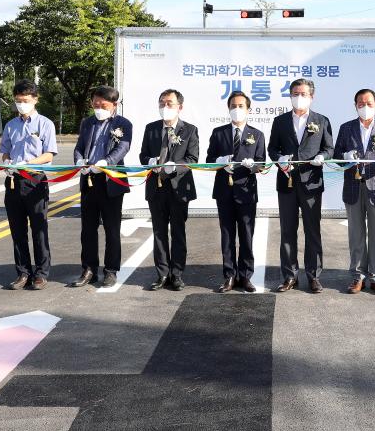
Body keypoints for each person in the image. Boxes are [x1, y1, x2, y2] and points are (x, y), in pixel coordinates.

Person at [267, 78, 334, 293]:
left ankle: (313, 276)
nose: (299, 97)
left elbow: (329, 148)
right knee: (287, 231)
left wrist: (323, 156)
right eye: (295, 93)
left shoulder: (321, 120)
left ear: (311, 97)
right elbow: (272, 148)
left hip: (311, 183)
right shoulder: (280, 121)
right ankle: (290, 276)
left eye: (303, 94)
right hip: (286, 182)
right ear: (290, 96)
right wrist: (279, 159)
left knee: (312, 231)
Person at [333, 88, 375, 295]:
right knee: (356, 233)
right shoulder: (346, 128)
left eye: (369, 103)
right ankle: (357, 276)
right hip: (353, 187)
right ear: (355, 106)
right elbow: (336, 155)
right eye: (361, 104)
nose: (365, 107)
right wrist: (345, 156)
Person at [70, 86, 132, 289]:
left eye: (103, 105)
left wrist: (107, 162)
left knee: (112, 229)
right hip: (89, 179)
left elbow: (123, 147)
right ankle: (88, 269)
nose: (98, 108)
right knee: (87, 229)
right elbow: (79, 147)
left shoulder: (123, 124)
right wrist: (79, 161)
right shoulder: (87, 122)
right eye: (95, 104)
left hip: (110, 180)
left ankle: (111, 270)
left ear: (114, 105)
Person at [0, 80, 58, 291]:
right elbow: (5, 151)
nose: (21, 104)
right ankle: (23, 272)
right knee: (17, 231)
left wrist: (29, 163)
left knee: (39, 229)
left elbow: (49, 154)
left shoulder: (45, 124)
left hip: (35, 180)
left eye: (25, 100)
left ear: (35, 99)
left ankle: (41, 273)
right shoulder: (10, 125)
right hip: (14, 181)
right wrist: (8, 162)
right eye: (18, 100)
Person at [206, 90, 266, 293]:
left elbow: (262, 164)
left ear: (248, 110)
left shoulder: (257, 134)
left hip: (246, 191)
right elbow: (209, 160)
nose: (237, 109)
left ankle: (246, 276)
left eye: (241, 106)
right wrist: (220, 161)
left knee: (247, 234)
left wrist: (252, 165)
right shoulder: (218, 133)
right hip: (224, 191)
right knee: (227, 234)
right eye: (233, 106)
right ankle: (229, 275)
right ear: (228, 109)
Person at [139, 88, 199, 291]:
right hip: (156, 188)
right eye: (162, 103)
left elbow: (192, 159)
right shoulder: (151, 128)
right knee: (159, 232)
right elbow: (143, 155)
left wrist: (175, 167)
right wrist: (151, 161)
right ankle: (162, 274)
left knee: (178, 232)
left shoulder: (189, 130)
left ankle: (177, 274)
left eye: (169, 103)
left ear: (179, 107)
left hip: (178, 188)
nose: (165, 107)